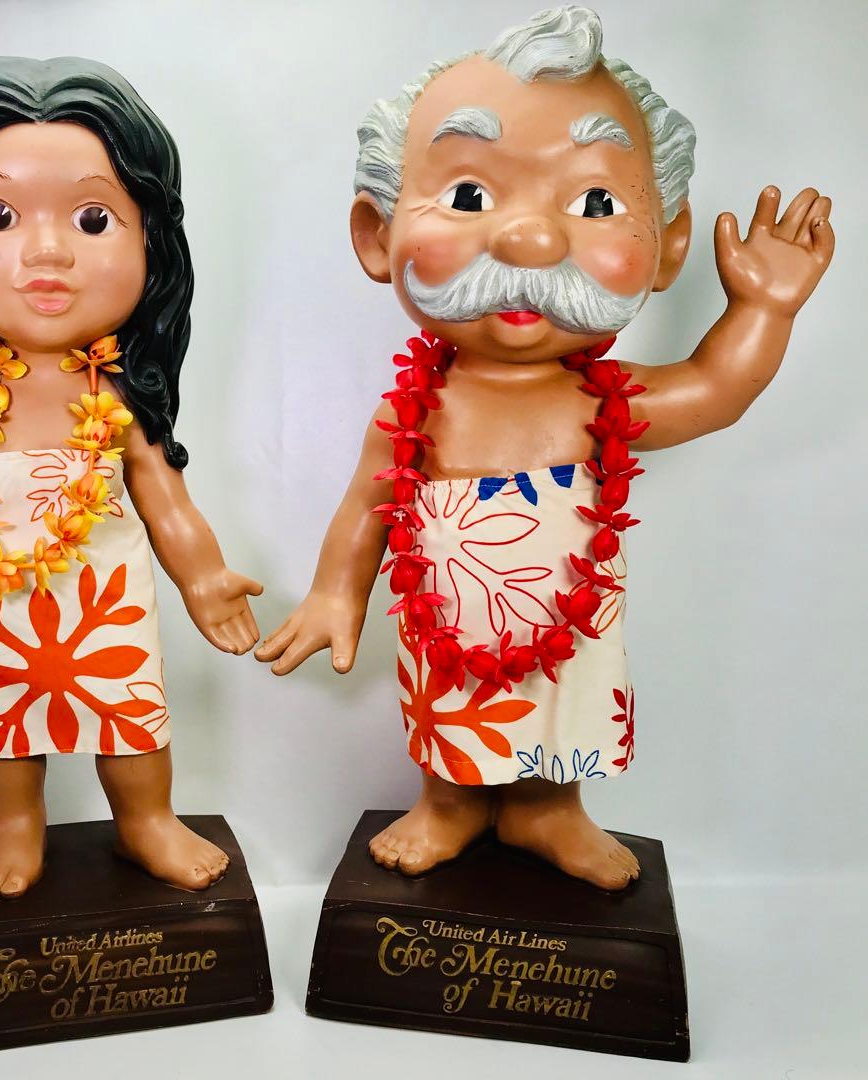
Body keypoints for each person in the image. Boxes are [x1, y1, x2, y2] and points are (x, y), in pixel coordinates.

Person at [256, 6, 834, 889]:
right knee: (450, 710)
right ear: (377, 234)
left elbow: (717, 389)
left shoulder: (605, 401)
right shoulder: (414, 412)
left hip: (567, 617)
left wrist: (763, 310)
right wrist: (338, 591)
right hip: (447, 621)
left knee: (560, 714)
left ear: (667, 245)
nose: (530, 240)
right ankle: (449, 803)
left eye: (595, 203)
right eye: (469, 196)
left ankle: (547, 810)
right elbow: (368, 502)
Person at [0, 57, 261, 898]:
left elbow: (165, 499)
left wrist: (204, 576)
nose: (47, 252)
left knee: (129, 712)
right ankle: (11, 826)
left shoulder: (116, 395)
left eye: (92, 218)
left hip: (104, 595)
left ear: (150, 239)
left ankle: (146, 821)